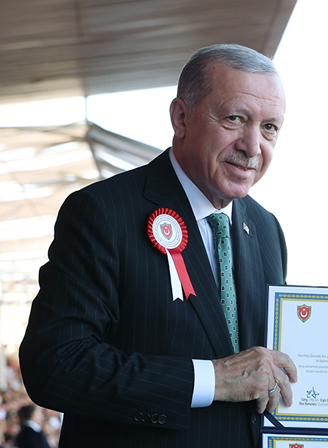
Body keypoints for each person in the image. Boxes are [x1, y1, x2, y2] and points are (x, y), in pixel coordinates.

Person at [19, 44, 296, 447]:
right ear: (181, 117)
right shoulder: (103, 212)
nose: (253, 146)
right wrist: (212, 379)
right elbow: (55, 364)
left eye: (270, 127)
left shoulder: (267, 229)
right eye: (235, 119)